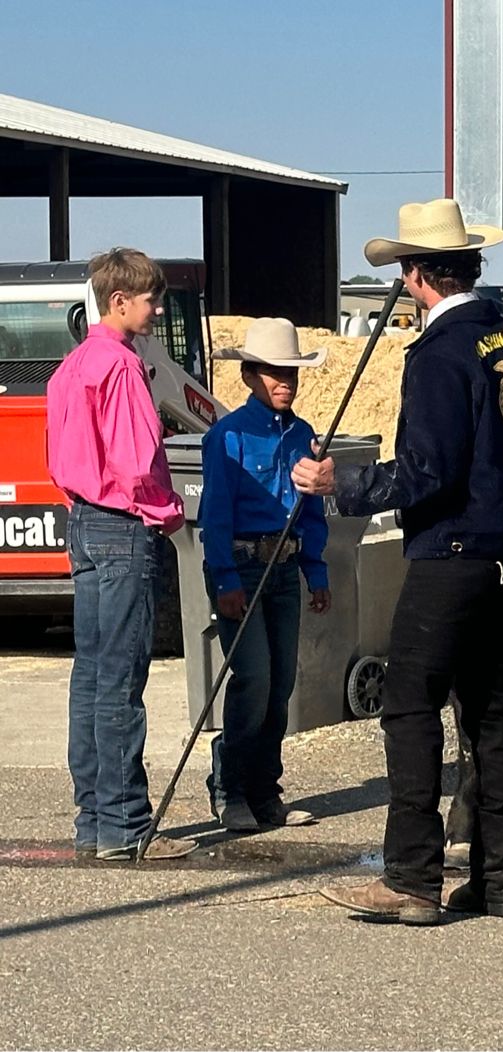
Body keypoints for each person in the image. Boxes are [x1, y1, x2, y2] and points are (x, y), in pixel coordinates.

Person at [292, 198, 503, 925]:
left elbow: (429, 471)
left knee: (410, 703)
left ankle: (413, 877)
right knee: (490, 711)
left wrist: (343, 485)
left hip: (452, 552)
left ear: (416, 276)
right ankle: (499, 878)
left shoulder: (439, 355)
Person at [45, 247, 196, 861]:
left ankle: (94, 818)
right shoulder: (123, 366)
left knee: (90, 674)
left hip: (83, 520)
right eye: (151, 300)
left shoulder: (70, 367)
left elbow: (57, 456)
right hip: (123, 527)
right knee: (121, 678)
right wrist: (169, 513)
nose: (156, 310)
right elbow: (139, 463)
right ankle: (126, 822)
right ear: (119, 301)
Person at [199, 318, 331, 832]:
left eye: (291, 373)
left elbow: (311, 509)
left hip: (285, 569)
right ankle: (230, 788)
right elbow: (214, 514)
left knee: (280, 683)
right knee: (254, 677)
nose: (285, 382)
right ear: (250, 375)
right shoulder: (226, 436)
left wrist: (316, 569)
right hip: (242, 568)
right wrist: (225, 578)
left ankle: (263, 791)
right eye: (275, 373)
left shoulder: (303, 435)